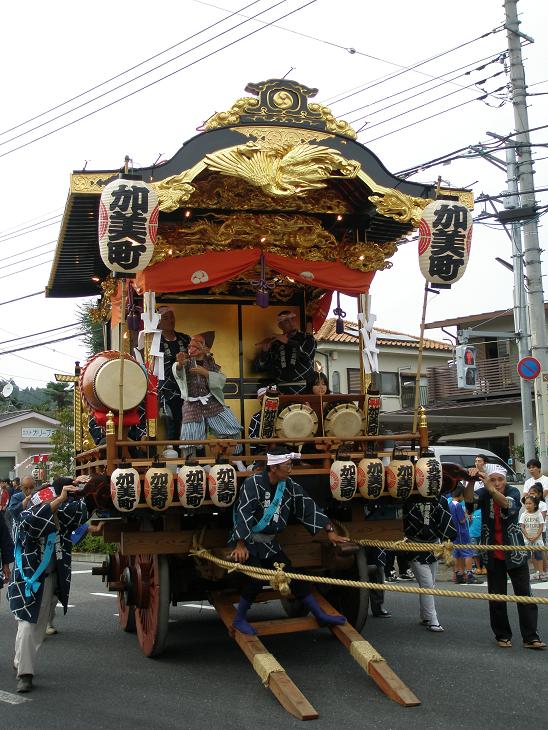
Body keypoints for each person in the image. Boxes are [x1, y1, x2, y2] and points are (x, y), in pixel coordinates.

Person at [229, 447, 350, 634]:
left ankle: (319, 614)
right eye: (287, 465)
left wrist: (329, 530)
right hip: (249, 542)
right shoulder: (252, 483)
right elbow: (243, 512)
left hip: (269, 543)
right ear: (274, 467)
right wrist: (240, 544)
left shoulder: (289, 485)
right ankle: (239, 619)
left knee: (292, 576)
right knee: (255, 580)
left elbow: (307, 505)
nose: (291, 468)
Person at [8, 475, 88, 692]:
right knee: (27, 622)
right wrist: (58, 500)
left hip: (51, 578)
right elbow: (31, 522)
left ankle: (19, 661)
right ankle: (25, 674)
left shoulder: (60, 509)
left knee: (38, 626)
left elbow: (79, 515)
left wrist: (84, 489)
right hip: (29, 577)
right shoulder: (29, 509)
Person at [463, 466, 545, 650]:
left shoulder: (513, 492)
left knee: (525, 595)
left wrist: (490, 487)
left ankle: (530, 637)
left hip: (514, 551)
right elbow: (469, 501)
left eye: (500, 479)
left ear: (505, 480)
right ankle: (502, 635)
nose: (497, 483)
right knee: (497, 597)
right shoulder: (483, 492)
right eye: (493, 479)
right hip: (492, 552)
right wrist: (470, 481)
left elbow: (507, 505)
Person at [173, 331, 242, 455]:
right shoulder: (186, 362)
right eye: (190, 345)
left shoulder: (211, 363)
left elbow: (221, 380)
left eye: (197, 344)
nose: (191, 348)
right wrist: (179, 364)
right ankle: (190, 464)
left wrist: (206, 373)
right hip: (192, 404)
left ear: (206, 348)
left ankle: (236, 459)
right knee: (189, 437)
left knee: (233, 428)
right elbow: (178, 373)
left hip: (211, 402)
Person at [403, 497, 457, 632]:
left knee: (429, 584)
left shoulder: (441, 500)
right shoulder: (408, 498)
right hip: (414, 545)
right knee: (427, 584)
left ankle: (425, 616)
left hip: (434, 546)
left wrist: (447, 540)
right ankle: (433, 620)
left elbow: (446, 525)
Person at [253, 310, 316, 394]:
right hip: (281, 389)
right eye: (286, 321)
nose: (291, 323)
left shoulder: (307, 338)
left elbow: (306, 357)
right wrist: (265, 351)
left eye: (292, 319)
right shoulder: (276, 343)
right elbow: (260, 368)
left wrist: (287, 341)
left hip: (305, 388)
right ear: (280, 325)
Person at [157, 306, 190, 441]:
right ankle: (174, 458)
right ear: (158, 322)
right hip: (168, 390)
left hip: (188, 388)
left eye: (172, 317)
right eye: (166, 318)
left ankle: (196, 458)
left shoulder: (185, 338)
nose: (170, 320)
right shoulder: (154, 341)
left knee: (192, 424)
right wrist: (175, 363)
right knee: (174, 425)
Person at [448, 486, 480, 584]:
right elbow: (462, 520)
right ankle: (469, 574)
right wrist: (467, 516)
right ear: (461, 495)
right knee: (468, 552)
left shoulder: (449, 504)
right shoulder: (457, 505)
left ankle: (458, 574)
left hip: (454, 533)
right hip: (462, 532)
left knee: (456, 553)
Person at [519, 495, 546, 581]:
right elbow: (522, 526)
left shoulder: (538, 514)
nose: (528, 505)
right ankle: (529, 573)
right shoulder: (524, 514)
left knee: (538, 555)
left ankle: (541, 573)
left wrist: (536, 536)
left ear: (535, 504)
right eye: (526, 504)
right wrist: (527, 536)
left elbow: (541, 526)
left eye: (530, 503)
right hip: (527, 539)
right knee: (527, 556)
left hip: (537, 539)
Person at [527, 483, 547, 578]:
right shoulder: (529, 504)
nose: (531, 495)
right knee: (533, 552)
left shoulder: (542, 504)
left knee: (540, 552)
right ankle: (537, 571)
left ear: (539, 494)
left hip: (540, 532)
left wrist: (537, 533)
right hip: (530, 532)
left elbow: (541, 520)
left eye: (533, 493)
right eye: (529, 493)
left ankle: (543, 571)